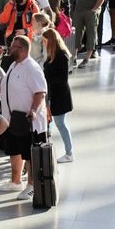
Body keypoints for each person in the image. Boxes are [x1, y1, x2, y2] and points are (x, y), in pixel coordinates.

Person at [0, 36, 48, 201]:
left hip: (27, 121)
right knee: (14, 150)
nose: (9, 49)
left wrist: (33, 110)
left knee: (29, 154)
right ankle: (15, 181)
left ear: (22, 49)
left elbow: (40, 92)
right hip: (12, 119)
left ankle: (32, 185)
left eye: (12, 47)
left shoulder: (32, 68)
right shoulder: (14, 64)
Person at [41, 28, 74, 163]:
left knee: (61, 123)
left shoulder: (61, 56)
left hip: (59, 96)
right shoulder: (51, 55)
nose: (43, 43)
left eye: (44, 40)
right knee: (57, 123)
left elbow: (62, 79)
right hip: (53, 94)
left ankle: (69, 152)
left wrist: (46, 80)